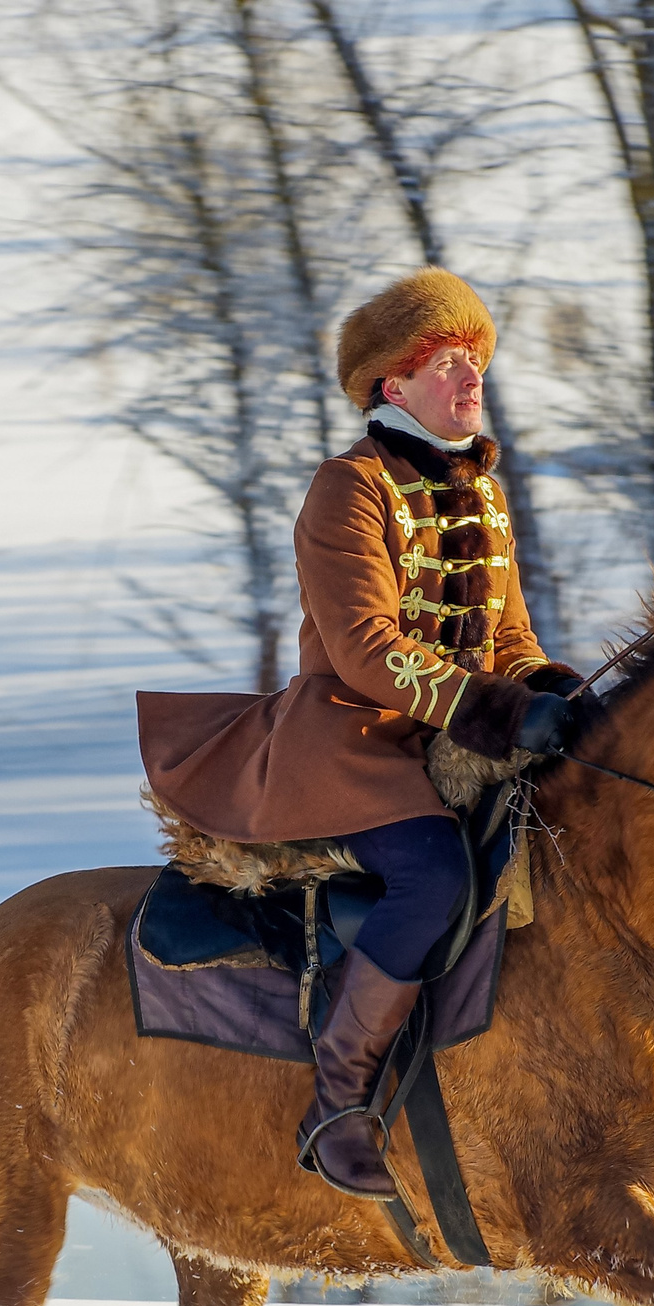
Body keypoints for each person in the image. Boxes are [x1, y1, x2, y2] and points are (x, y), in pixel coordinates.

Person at [137, 269, 583, 1199]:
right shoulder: (349, 488)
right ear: (394, 384)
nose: (473, 380)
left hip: (463, 733)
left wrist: (555, 694)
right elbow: (367, 648)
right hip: (356, 736)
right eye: (450, 363)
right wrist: (500, 711)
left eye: (478, 364)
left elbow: (510, 637)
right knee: (436, 872)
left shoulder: (487, 496)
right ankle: (337, 1101)